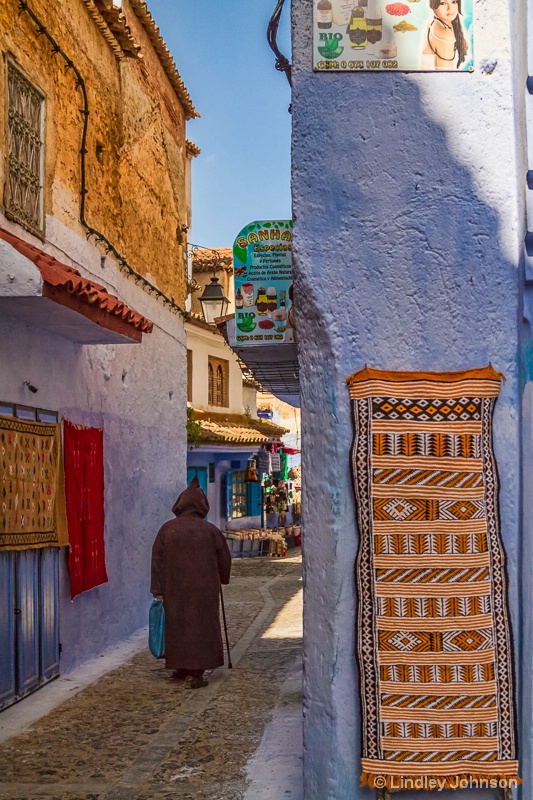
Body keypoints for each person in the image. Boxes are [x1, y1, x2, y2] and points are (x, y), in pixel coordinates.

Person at [150, 476, 231, 689]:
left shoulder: (167, 529)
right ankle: (195, 671)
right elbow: (224, 558)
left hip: (174, 590)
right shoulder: (211, 531)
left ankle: (182, 666)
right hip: (204, 590)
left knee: (179, 626)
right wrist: (223, 577)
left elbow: (157, 560)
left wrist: (158, 589)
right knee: (201, 627)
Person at [420, 0, 468, 70]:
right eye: (443, 3)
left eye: (454, 2)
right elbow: (445, 75)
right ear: (434, 6)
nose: (450, 8)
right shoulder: (444, 34)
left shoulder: (434, 22)